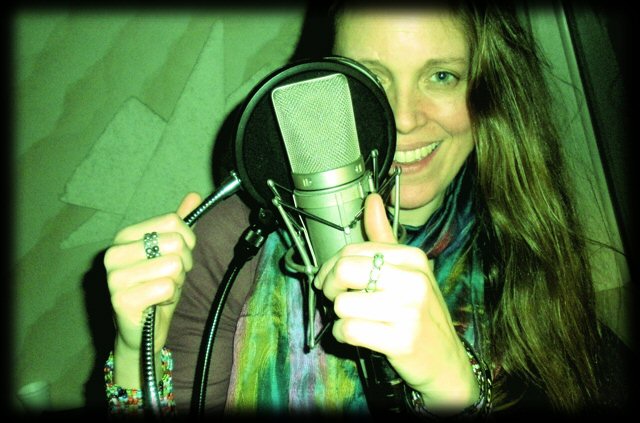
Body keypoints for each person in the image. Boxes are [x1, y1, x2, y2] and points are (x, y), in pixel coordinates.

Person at [102, 1, 630, 419]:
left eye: (442, 76)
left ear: (491, 90)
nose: (403, 118)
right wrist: (134, 352)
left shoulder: (525, 236)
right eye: (369, 76)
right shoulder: (231, 246)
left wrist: (453, 392)